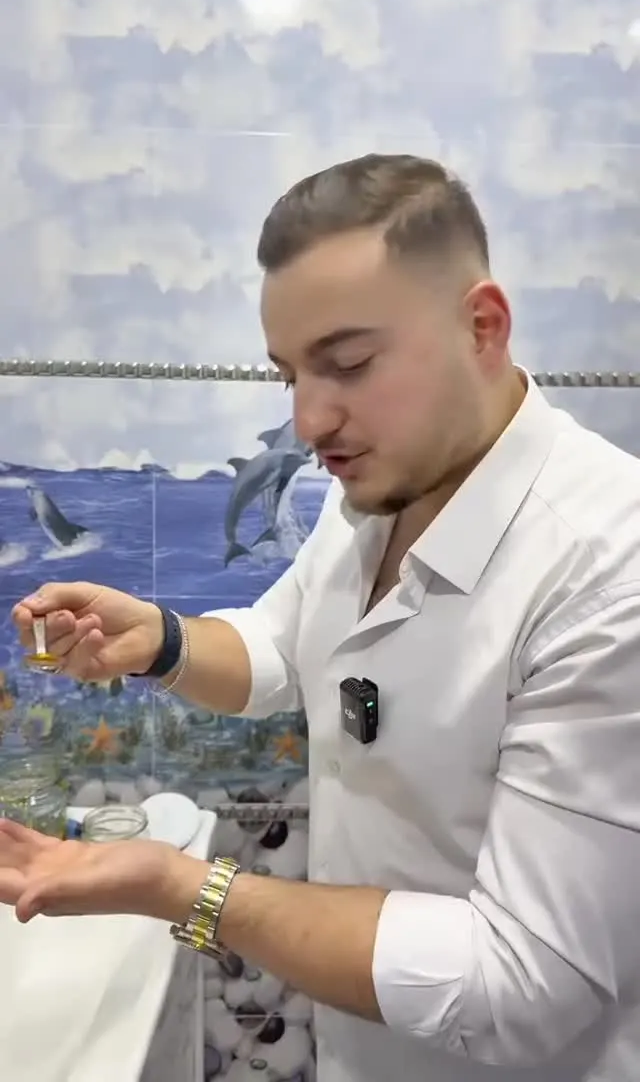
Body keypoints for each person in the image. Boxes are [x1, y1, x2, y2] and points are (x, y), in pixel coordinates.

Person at [4, 153, 640, 1082]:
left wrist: (185, 889)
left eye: (347, 365)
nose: (308, 422)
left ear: (483, 326)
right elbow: (285, 647)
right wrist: (162, 641)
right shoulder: (381, 489)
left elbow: (524, 984)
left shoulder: (608, 572)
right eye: (290, 375)